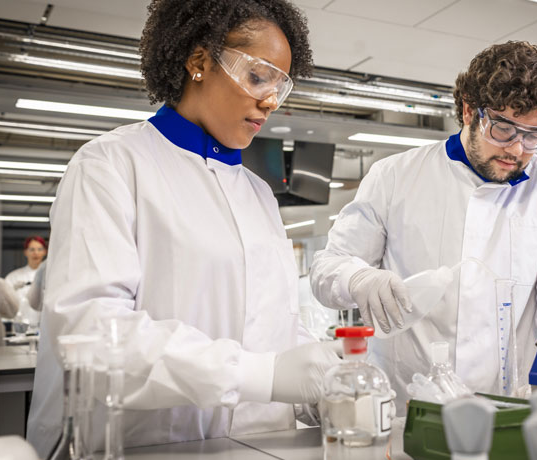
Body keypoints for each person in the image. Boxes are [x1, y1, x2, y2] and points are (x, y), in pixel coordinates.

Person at [27, 0, 342, 456]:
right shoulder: (111, 165)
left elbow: (270, 327)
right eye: (258, 76)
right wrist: (259, 376)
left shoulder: (258, 194)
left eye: (281, 85)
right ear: (198, 61)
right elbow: (91, 331)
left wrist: (325, 384)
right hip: (147, 447)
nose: (271, 101)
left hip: (259, 446)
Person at [311, 41, 537, 412]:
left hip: (508, 405)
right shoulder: (395, 175)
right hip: (406, 408)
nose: (517, 150)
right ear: (468, 111)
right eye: (503, 129)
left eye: (533, 136)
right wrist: (358, 279)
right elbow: (327, 268)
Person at [4, 235, 47, 327]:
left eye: (39, 249)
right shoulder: (14, 277)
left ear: (45, 251)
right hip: (19, 327)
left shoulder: (50, 276)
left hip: (43, 325)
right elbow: (6, 303)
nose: (36, 253)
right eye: (32, 249)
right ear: (25, 252)